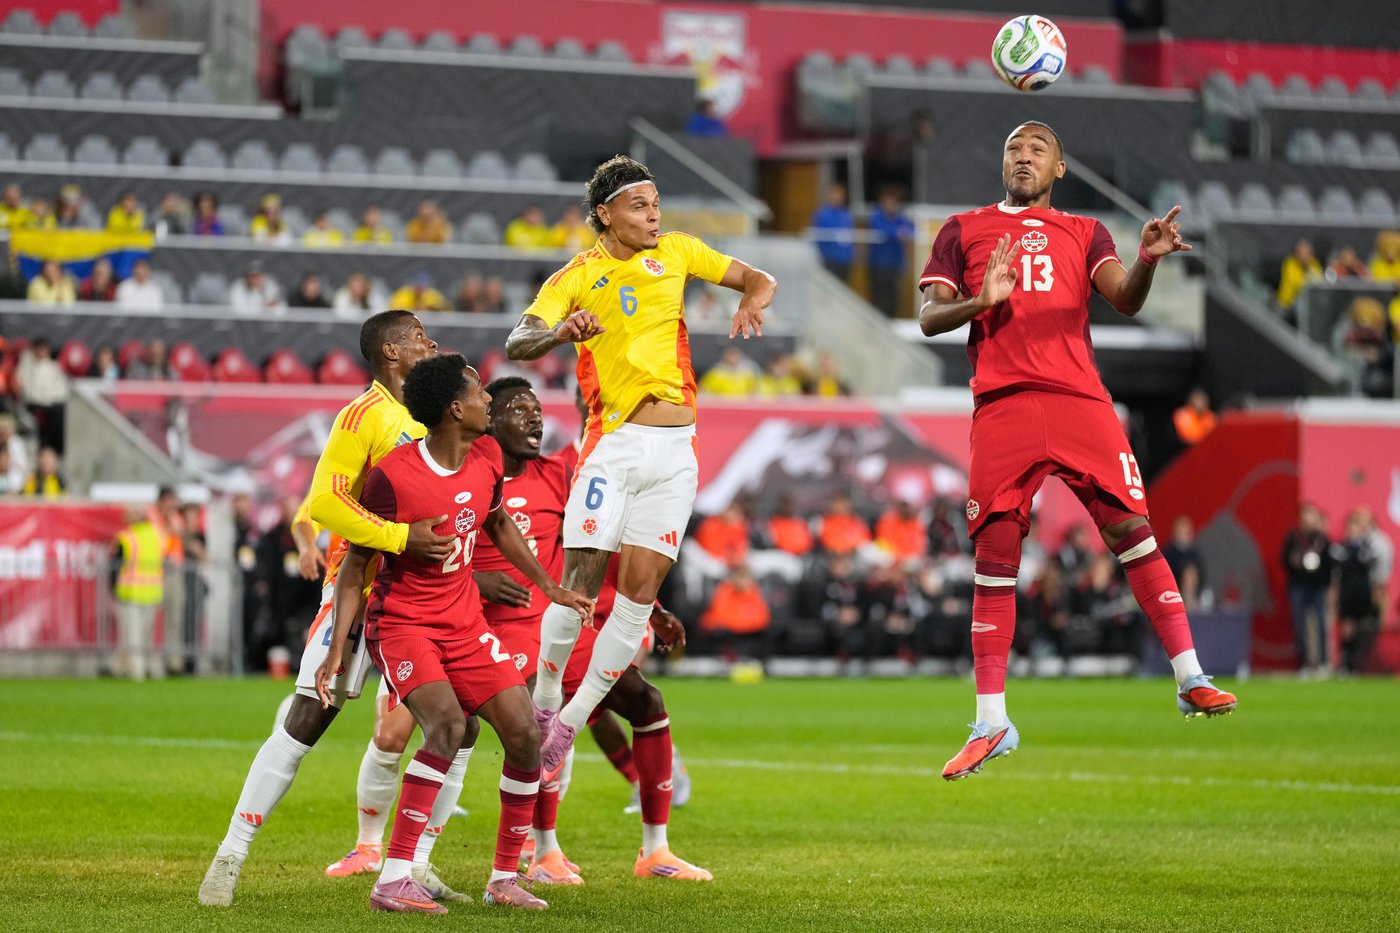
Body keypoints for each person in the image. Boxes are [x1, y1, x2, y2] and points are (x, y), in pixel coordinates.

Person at [917, 120, 1237, 780]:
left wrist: (1147, 260)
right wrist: (981, 301)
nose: (1023, 156)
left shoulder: (1086, 232)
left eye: (1038, 149)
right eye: (1013, 148)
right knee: (994, 556)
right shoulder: (962, 229)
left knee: (1133, 532)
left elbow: (1124, 298)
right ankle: (991, 721)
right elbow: (928, 318)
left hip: (1079, 401)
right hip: (1003, 404)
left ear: (1059, 168)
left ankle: (1190, 677)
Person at [504, 154, 774, 776]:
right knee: (578, 586)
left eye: (656, 204)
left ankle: (567, 725)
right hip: (615, 446)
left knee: (637, 598)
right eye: (639, 206)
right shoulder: (575, 276)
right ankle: (545, 700)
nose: (654, 216)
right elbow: (519, 340)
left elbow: (759, 278)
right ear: (605, 214)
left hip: (678, 454)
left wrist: (751, 301)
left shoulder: (678, 251)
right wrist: (559, 333)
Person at [199, 311, 461, 908]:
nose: (431, 342)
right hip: (362, 593)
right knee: (305, 721)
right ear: (391, 351)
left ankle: (415, 865)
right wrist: (400, 539)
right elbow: (324, 501)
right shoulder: (363, 416)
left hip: (428, 600)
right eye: (418, 336)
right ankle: (231, 854)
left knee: (458, 724)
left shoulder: (435, 416)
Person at [315, 354, 593, 912]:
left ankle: (503, 878)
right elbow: (354, 566)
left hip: (464, 623)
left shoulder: (486, 456)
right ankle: (393, 878)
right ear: (454, 409)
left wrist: (551, 587)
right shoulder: (393, 476)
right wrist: (336, 648)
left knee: (525, 735)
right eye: (479, 392)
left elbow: (497, 521)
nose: (488, 399)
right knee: (447, 726)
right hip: (404, 624)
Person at [469, 376, 705, 884]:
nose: (535, 418)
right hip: (498, 630)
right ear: (489, 421)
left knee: (647, 701)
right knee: (533, 724)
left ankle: (656, 851)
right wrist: (475, 579)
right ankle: (543, 852)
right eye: (519, 410)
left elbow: (602, 544)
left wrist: (653, 606)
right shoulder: (469, 476)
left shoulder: (560, 473)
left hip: (560, 623)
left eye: (537, 409)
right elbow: (429, 550)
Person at [111, 505, 165, 680]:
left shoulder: (127, 538)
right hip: (153, 592)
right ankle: (150, 670)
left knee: (133, 636)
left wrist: (113, 588)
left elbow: (116, 565)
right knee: (147, 637)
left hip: (131, 593)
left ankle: (137, 672)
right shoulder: (157, 535)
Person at [1281, 502, 1336, 674]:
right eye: (1306, 516)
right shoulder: (1293, 538)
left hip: (1318, 588)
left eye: (1312, 516)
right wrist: (1294, 562)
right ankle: (1303, 664)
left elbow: (1329, 565)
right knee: (1300, 627)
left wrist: (1327, 586)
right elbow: (1284, 561)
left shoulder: (1322, 540)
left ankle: (1323, 663)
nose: (1309, 519)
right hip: (1299, 587)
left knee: (1321, 625)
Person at [867, 188, 915, 318]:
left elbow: (911, 230)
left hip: (895, 264)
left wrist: (902, 233)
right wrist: (897, 233)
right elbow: (883, 231)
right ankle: (878, 321)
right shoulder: (876, 217)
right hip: (878, 264)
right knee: (880, 295)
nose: (890, 205)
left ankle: (892, 320)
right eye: (887, 202)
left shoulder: (900, 218)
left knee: (894, 295)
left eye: (893, 202)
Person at [810, 183, 855, 282]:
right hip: (828, 258)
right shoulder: (822, 214)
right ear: (830, 195)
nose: (837, 197)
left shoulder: (846, 214)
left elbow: (849, 236)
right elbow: (817, 235)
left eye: (840, 194)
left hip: (844, 260)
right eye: (835, 194)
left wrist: (850, 255)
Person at [1275, 237, 1321, 313]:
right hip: (1287, 303)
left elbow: (1319, 281)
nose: (1305, 256)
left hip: (1307, 303)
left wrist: (1308, 267)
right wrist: (1308, 282)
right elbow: (1294, 282)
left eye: (1307, 253)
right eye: (1302, 253)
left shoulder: (1314, 264)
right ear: (1296, 253)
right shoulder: (1290, 263)